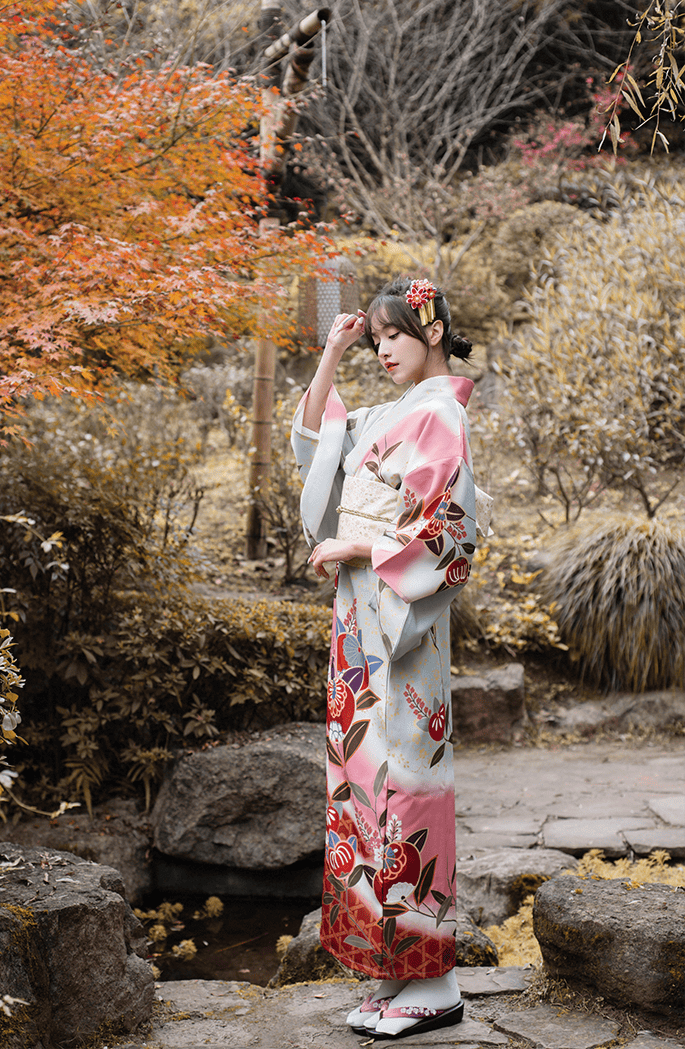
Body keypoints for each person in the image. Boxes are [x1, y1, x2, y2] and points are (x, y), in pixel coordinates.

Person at [291, 277, 479, 1040]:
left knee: (407, 789)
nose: (384, 349)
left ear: (430, 330)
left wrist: (358, 543)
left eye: (392, 335)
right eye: (374, 339)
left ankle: (434, 978)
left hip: (401, 623)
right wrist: (332, 352)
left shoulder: (441, 414)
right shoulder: (388, 413)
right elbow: (314, 442)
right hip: (360, 621)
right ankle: (389, 968)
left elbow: (451, 535)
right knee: (364, 788)